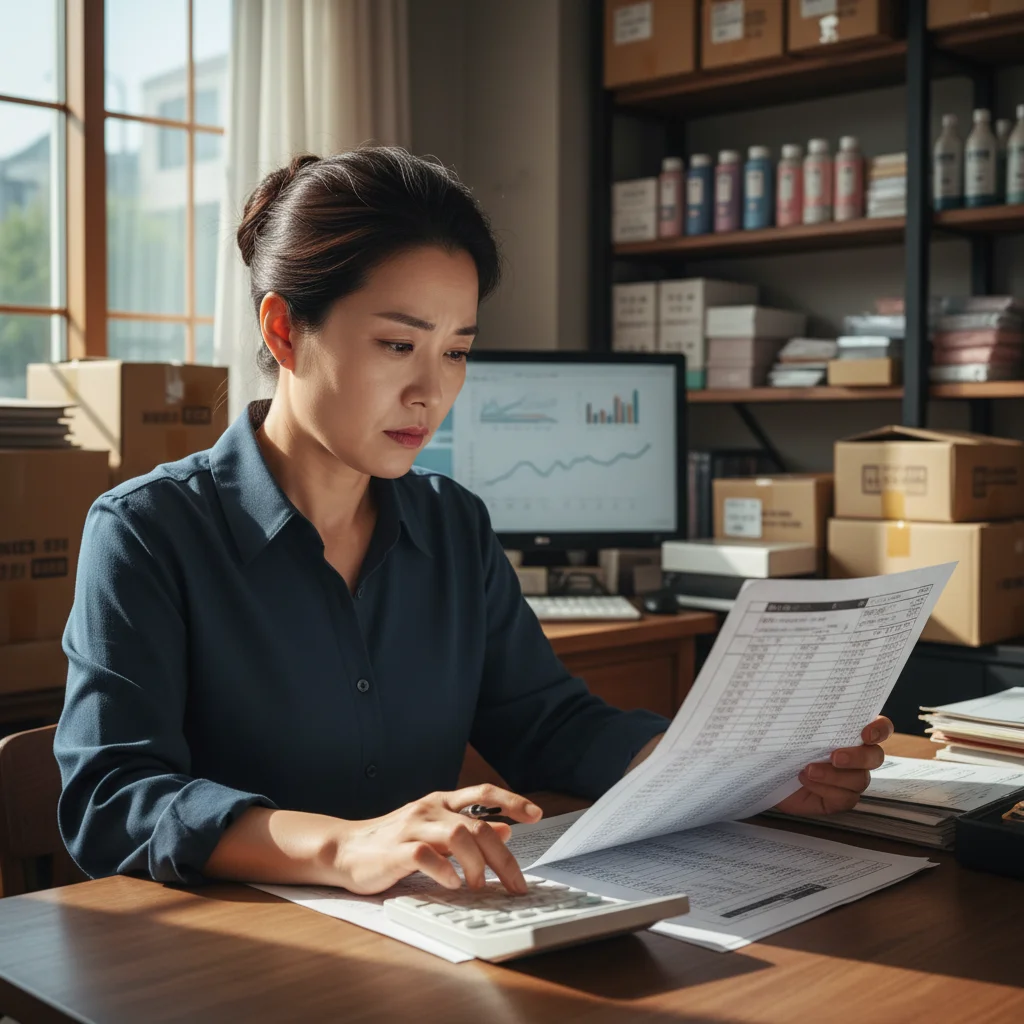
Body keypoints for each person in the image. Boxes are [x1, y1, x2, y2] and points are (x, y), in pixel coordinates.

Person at [54, 147, 892, 898]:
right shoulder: (146, 532)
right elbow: (114, 799)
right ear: (284, 329)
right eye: (397, 345)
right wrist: (345, 848)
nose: (433, 392)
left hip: (431, 941)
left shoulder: (453, 525)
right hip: (231, 962)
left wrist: (747, 774)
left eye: (455, 350)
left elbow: (547, 725)